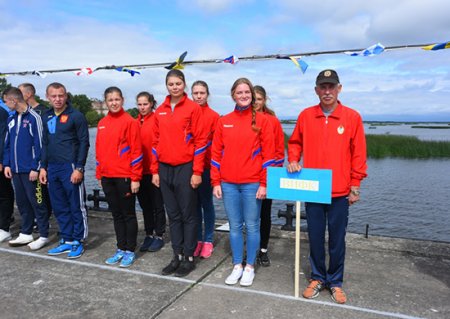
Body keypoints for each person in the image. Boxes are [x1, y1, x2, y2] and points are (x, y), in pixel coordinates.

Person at [287, 69, 367, 304]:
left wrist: (356, 185)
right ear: (316, 90)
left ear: (339, 88)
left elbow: (359, 154)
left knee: (337, 239)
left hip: (340, 191)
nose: (327, 91)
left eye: (331, 86)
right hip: (313, 189)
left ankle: (335, 281)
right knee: (314, 236)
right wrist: (293, 158)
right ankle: (318, 277)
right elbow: (295, 143)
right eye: (323, 86)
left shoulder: (352, 117)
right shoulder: (305, 115)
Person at [211, 78, 275, 286]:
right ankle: (237, 264)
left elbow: (268, 156)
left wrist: (264, 183)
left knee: (252, 226)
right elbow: (216, 153)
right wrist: (216, 181)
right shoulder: (224, 121)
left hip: (252, 183)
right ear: (233, 95)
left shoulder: (263, 120)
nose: (244, 96)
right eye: (239, 92)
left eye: (247, 92)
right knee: (235, 227)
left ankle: (249, 267)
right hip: (228, 183)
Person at [151, 69, 208, 277]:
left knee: (188, 215)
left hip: (186, 167)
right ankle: (176, 255)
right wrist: (155, 170)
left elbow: (201, 142)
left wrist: (197, 171)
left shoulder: (193, 108)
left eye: (178, 83)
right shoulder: (161, 111)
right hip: (165, 169)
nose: (174, 87)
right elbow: (155, 142)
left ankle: (189, 256)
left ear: (184, 84)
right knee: (173, 215)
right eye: (171, 84)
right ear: (167, 86)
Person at [39, 82, 90, 259]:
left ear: (66, 96)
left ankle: (78, 240)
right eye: (53, 96)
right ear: (48, 97)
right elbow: (44, 144)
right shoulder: (45, 116)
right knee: (59, 206)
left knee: (76, 206)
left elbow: (84, 143)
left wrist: (79, 167)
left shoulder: (76, 116)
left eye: (61, 95)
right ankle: (67, 239)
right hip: (52, 167)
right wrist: (43, 167)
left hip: (70, 166)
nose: (57, 99)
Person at [96, 87, 143, 267]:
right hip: (107, 177)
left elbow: (137, 152)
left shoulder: (130, 122)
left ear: (122, 100)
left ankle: (130, 250)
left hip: (125, 176)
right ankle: (120, 248)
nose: (114, 103)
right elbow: (99, 151)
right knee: (116, 215)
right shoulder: (102, 123)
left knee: (128, 215)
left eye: (117, 99)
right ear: (106, 102)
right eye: (110, 100)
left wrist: (136, 177)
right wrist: (99, 174)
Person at [2, 87, 49, 250]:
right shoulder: (11, 119)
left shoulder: (35, 118)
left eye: (6, 101)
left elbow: (40, 144)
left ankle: (43, 234)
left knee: (37, 202)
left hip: (30, 169)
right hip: (15, 169)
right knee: (22, 202)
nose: (5, 104)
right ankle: (26, 232)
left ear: (14, 100)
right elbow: (7, 144)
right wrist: (7, 164)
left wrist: (36, 167)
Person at [253, 85, 285, 267]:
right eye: (253, 99)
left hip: (266, 176)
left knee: (264, 214)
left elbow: (279, 151)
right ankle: (250, 248)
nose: (255, 102)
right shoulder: (244, 119)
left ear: (264, 100)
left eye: (259, 99)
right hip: (247, 175)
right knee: (249, 217)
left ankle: (263, 249)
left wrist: (273, 173)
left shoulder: (272, 121)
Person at [191, 81, 219, 259]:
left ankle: (208, 239)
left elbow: (217, 146)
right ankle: (196, 239)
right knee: (192, 206)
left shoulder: (214, 116)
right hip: (188, 167)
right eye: (196, 93)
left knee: (206, 203)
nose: (199, 96)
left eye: (202, 93)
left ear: (207, 94)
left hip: (206, 167)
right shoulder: (187, 113)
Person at [135, 91, 166, 253]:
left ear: (152, 104)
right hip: (140, 171)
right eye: (139, 104)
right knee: (145, 205)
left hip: (155, 169)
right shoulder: (135, 122)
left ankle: (159, 234)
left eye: (145, 104)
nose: (142, 107)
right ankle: (149, 233)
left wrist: (157, 170)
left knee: (157, 204)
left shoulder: (157, 119)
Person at [19, 83, 53, 222]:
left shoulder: (43, 112)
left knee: (42, 193)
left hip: (42, 161)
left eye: (19, 93)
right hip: (26, 163)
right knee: (28, 194)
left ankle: (43, 221)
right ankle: (33, 219)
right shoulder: (21, 114)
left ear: (28, 94)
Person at [0, 96, 15, 243]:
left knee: (4, 194)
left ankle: (4, 228)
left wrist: (1, 161)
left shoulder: (1, 112)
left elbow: (2, 138)